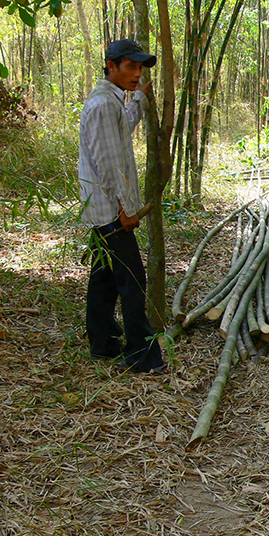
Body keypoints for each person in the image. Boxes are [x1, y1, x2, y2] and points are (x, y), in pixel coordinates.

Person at [78, 38, 166, 374]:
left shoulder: (111, 102)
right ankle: (141, 356)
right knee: (132, 278)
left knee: (104, 278)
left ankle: (102, 343)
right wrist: (125, 209)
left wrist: (140, 97)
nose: (136, 73)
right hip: (109, 210)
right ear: (111, 66)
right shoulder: (103, 105)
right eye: (130, 66)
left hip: (104, 209)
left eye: (140, 67)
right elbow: (109, 163)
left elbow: (122, 128)